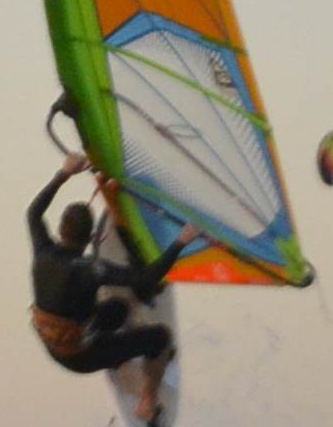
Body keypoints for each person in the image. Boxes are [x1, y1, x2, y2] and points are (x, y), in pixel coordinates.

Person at [28, 158, 203, 375]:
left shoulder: (43, 251)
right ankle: (148, 394)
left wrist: (63, 173)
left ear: (61, 229)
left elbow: (33, 214)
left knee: (118, 309)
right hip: (79, 356)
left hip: (51, 344)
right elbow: (148, 278)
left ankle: (113, 351)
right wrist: (181, 241)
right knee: (160, 337)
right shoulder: (91, 270)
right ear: (91, 238)